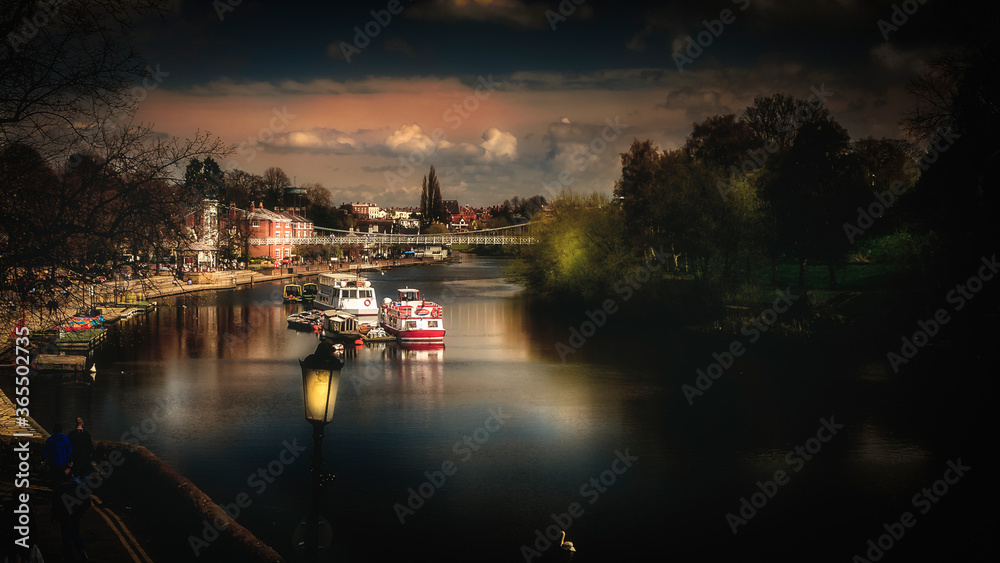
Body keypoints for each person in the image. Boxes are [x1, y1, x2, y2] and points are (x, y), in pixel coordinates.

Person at [52, 466, 90, 561]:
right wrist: (81, 511)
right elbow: (87, 502)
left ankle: (68, 556)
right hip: (76, 514)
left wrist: (54, 516)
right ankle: (82, 550)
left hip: (64, 515)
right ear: (72, 476)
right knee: (76, 533)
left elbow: (55, 504)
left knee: (66, 535)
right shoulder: (78, 487)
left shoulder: (59, 488)